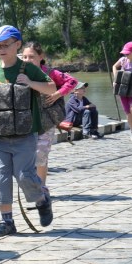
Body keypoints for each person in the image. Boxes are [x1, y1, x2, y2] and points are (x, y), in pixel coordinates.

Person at [0, 25, 56, 237]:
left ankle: (42, 200)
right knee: (0, 178)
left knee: (24, 176)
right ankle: (7, 221)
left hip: (25, 135)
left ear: (17, 44)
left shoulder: (28, 68)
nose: (1, 49)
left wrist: (30, 82)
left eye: (5, 45)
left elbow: (51, 88)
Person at [20, 41, 80, 191]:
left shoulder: (50, 73)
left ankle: (41, 188)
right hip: (26, 120)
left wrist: (57, 94)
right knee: (26, 155)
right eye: (25, 57)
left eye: (31, 57)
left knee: (41, 153)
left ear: (41, 57)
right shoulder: (20, 72)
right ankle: (32, 186)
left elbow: (72, 81)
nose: (27, 60)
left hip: (46, 119)